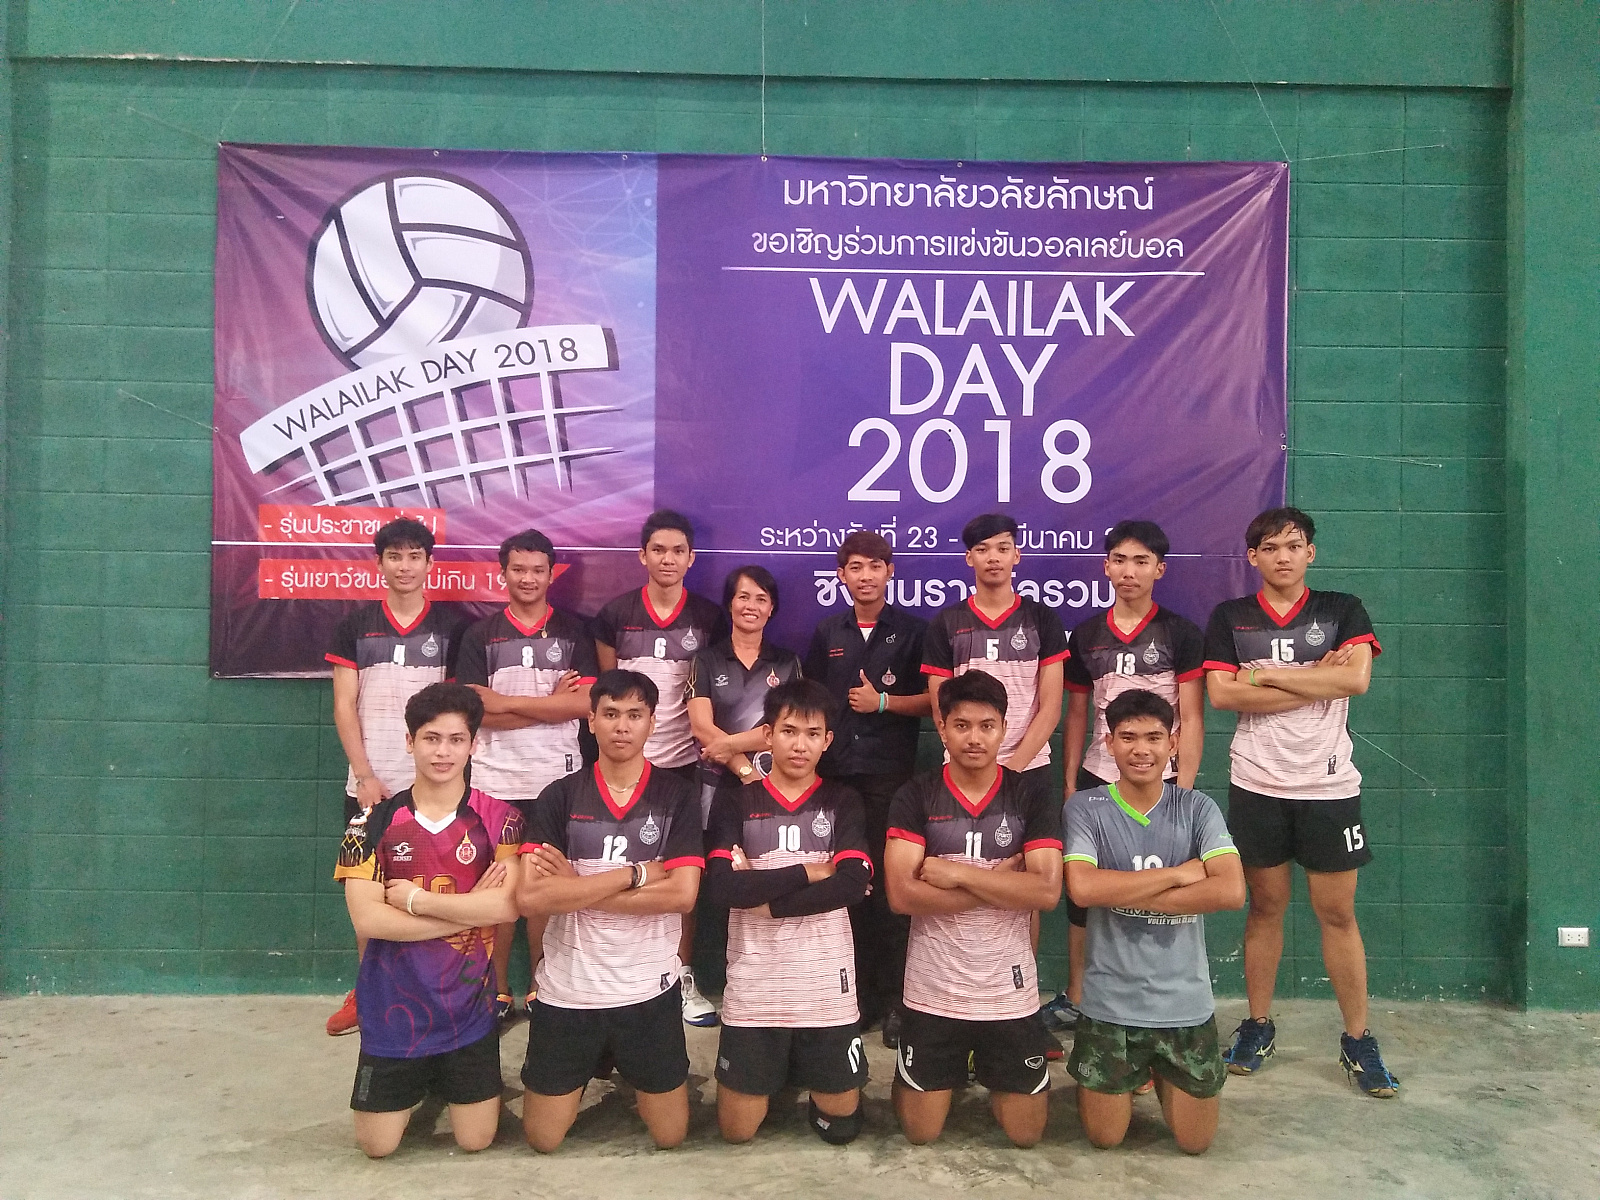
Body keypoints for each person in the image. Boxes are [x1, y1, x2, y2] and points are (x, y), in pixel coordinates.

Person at [1202, 506, 1398, 1098]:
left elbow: (1354, 681)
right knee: (1264, 908)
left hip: (1329, 789)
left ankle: (1358, 1039)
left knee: (1337, 914)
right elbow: (1221, 695)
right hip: (1256, 783)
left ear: (1310, 553)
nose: (1282, 556)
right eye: (1270, 547)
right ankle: (1257, 1026)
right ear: (1253, 557)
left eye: (1293, 546)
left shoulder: (1342, 609)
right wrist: (1313, 675)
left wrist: (1260, 676)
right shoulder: (1231, 616)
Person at [514, 670, 706, 1152]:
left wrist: (573, 888)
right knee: (543, 1139)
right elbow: (531, 898)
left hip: (647, 991)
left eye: (635, 715)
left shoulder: (677, 796)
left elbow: (682, 896)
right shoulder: (559, 796)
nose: (622, 726)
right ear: (592, 721)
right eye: (611, 714)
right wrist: (635, 874)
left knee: (671, 1136)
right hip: (569, 992)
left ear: (652, 723)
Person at [333, 682, 524, 1158]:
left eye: (456, 740)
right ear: (409, 741)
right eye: (431, 738)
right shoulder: (368, 824)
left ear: (473, 745)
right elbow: (368, 920)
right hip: (392, 1013)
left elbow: (506, 907)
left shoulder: (502, 820)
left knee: (476, 1141)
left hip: (469, 1012)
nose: (443, 752)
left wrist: (416, 901)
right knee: (377, 1148)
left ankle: (445, 1082)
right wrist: (467, 911)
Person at [885, 670, 1063, 1148]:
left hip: (1008, 994)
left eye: (987, 726)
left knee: (1026, 1135)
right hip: (933, 991)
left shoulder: (1030, 793)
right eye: (961, 726)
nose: (975, 738)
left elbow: (1046, 892)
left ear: (1004, 728)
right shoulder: (916, 794)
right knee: (921, 1134)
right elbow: (901, 895)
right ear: (942, 729)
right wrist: (1002, 882)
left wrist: (959, 874)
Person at [1063, 689, 1245, 1155]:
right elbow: (1083, 889)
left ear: (1173, 742)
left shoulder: (1197, 808)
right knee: (1105, 1140)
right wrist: (1179, 876)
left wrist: (1126, 890)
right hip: (1110, 1006)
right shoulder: (1085, 808)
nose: (1140, 749)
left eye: (1153, 737)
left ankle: (1163, 1075)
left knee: (1195, 1144)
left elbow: (1230, 890)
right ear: (1108, 743)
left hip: (1184, 1006)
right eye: (1127, 737)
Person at [1046, 520, 1206, 1036]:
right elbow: (1076, 714)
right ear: (1106, 567)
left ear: (1160, 569)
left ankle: (1158, 997)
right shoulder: (1086, 635)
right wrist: (1071, 783)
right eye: (1119, 560)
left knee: (1161, 890)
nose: (1129, 571)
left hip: (1163, 785)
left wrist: (1184, 788)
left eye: (1141, 561)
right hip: (1098, 778)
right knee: (1083, 895)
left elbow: (1192, 717)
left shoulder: (1181, 633)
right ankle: (1077, 996)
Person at [703, 679, 873, 1145]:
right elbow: (722, 887)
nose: (800, 745)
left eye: (812, 734)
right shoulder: (736, 800)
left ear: (827, 741)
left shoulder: (842, 801)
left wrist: (766, 903)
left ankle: (797, 1077)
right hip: (756, 988)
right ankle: (777, 1077)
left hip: (826, 989)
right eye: (789, 731)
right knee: (737, 1132)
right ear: (767, 735)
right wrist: (809, 871)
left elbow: (852, 883)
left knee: (840, 1129)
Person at [921, 512, 1067, 1055]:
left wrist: (1013, 768)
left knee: (1022, 892)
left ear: (1016, 556)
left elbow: (1050, 704)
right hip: (960, 776)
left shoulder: (1041, 618)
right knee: (956, 880)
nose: (993, 558)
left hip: (1027, 771)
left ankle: (1022, 1007)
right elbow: (940, 707)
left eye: (1003, 548)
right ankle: (954, 1007)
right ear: (969, 559)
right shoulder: (946, 624)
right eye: (983, 549)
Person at [323, 517, 466, 1036]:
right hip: (369, 786)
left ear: (430, 564)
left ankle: (437, 991)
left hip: (435, 788)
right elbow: (345, 705)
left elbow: (456, 711)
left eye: (414, 556)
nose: (405, 566)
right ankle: (367, 992)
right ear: (379, 563)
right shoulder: (355, 626)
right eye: (394, 556)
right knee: (368, 890)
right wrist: (364, 775)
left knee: (439, 887)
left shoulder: (454, 628)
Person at [455, 528, 598, 1024]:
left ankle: (543, 987)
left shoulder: (574, 631)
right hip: (493, 782)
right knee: (498, 888)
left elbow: (584, 705)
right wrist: (550, 705)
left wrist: (509, 702)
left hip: (557, 782)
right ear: (503, 573)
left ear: (551, 574)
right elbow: (476, 714)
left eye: (538, 570)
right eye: (518, 569)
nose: (528, 578)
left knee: (542, 889)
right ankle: (496, 992)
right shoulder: (479, 635)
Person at [591, 509, 725, 1026]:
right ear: (642, 556)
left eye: (678, 551)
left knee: (681, 873)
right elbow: (608, 695)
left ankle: (681, 974)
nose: (668, 559)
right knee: (616, 866)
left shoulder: (709, 617)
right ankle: (619, 975)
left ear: (691, 558)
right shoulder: (614, 614)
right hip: (625, 765)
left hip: (686, 765)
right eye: (658, 550)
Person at [803, 530, 930, 1047]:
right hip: (835, 782)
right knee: (847, 887)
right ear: (841, 575)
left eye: (875, 566)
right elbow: (812, 701)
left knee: (890, 891)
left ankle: (898, 1001)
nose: (866, 576)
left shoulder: (914, 631)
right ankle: (854, 999)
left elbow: (934, 701)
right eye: (855, 567)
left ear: (890, 572)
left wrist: (883, 703)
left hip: (889, 779)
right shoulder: (827, 631)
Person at [685, 566, 802, 1007]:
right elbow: (701, 726)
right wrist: (742, 767)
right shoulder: (706, 659)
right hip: (718, 788)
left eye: (761, 599)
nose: (751, 606)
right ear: (730, 604)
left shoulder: (787, 663)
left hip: (775, 788)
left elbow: (785, 727)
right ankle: (706, 979)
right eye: (743, 597)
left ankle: (769, 977)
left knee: (765, 874)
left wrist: (729, 745)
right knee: (716, 880)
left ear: (772, 609)